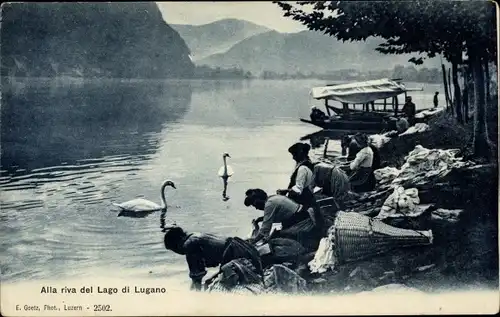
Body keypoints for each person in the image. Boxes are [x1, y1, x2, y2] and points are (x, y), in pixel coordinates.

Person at [163, 226, 262, 291]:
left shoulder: (189, 244)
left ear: (177, 243)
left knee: (220, 287)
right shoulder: (194, 236)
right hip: (242, 249)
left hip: (236, 254)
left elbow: (197, 277)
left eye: (174, 250)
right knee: (210, 282)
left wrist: (193, 298)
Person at [244, 188, 325, 251]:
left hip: (303, 221)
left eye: (254, 205)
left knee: (275, 239)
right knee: (274, 235)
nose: (256, 208)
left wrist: (253, 242)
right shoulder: (273, 198)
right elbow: (277, 215)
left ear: (258, 201)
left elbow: (265, 229)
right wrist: (260, 219)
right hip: (302, 215)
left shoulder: (269, 204)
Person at [276, 142, 324, 231]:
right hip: (307, 197)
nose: (293, 157)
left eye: (294, 154)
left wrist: (285, 191)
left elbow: (298, 190)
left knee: (287, 222)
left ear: (301, 153)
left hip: (302, 200)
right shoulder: (307, 164)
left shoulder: (302, 169)